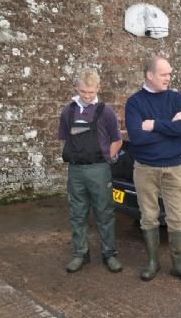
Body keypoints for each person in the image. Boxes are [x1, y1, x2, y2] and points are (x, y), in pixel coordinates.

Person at [125, 55, 181, 284]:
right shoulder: (135, 102)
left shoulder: (175, 97)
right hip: (145, 168)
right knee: (148, 217)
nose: (168, 78)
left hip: (174, 168)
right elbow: (137, 137)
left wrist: (155, 124)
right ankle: (153, 262)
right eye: (163, 74)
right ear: (150, 75)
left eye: (169, 73)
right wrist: (170, 125)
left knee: (177, 218)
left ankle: (179, 265)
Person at [58, 68, 123, 273]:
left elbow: (117, 140)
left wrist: (106, 159)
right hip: (76, 171)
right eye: (83, 91)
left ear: (98, 88)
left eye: (91, 92)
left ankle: (109, 254)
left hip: (99, 169)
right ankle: (80, 254)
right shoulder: (68, 111)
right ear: (77, 88)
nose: (87, 96)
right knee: (77, 213)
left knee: (104, 213)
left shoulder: (106, 112)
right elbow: (65, 138)